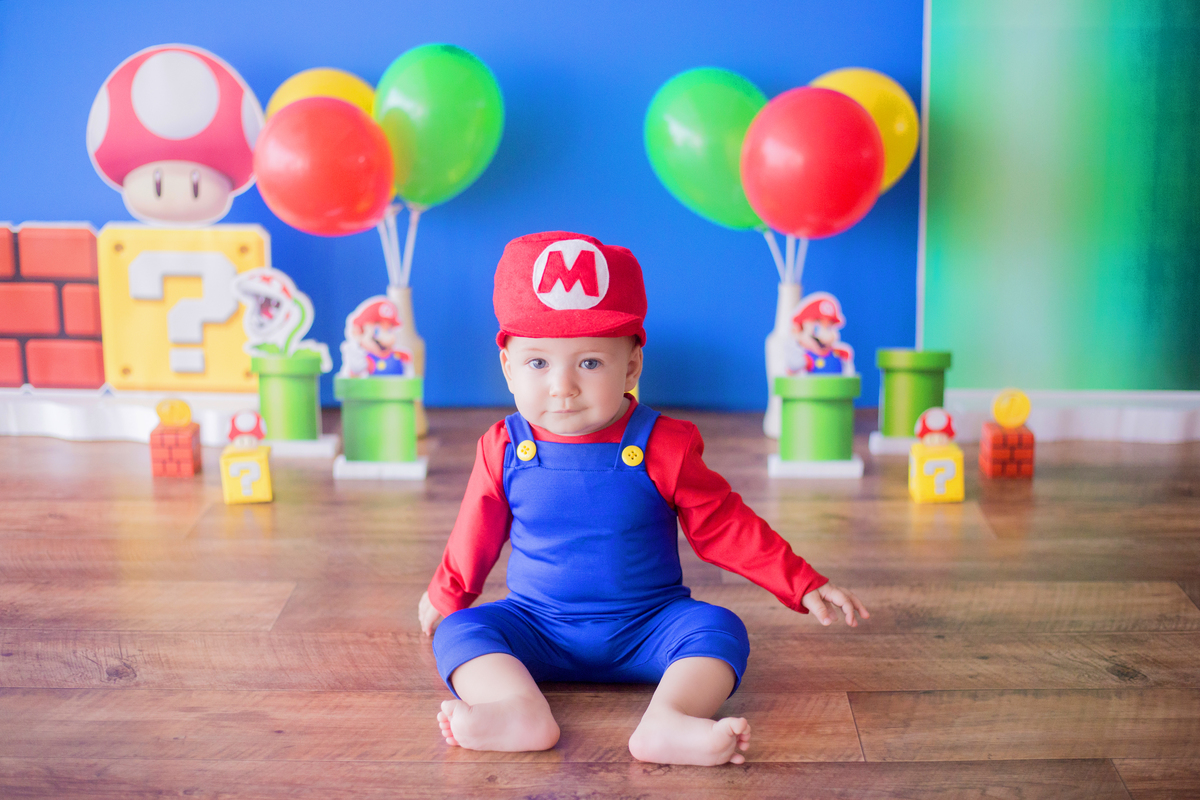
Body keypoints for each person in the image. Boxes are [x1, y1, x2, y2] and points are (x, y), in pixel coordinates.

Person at [419, 232, 868, 766]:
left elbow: (724, 524)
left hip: (649, 625)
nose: (562, 386)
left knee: (719, 629)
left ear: (631, 368)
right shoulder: (502, 447)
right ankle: (516, 707)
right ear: (508, 368)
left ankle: (670, 717)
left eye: (589, 363)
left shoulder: (664, 445)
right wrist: (446, 596)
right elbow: (476, 532)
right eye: (538, 363)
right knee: (462, 631)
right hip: (536, 623)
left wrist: (800, 581)